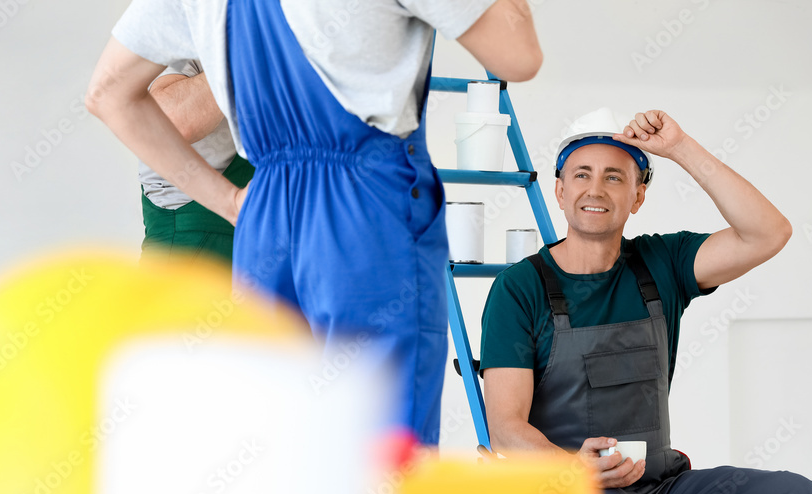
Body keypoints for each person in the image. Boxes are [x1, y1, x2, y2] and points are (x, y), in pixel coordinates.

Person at [479, 107, 812, 494]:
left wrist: (681, 148)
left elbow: (768, 233)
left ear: (638, 196)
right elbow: (506, 425)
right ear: (560, 191)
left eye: (616, 176)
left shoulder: (661, 264)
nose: (597, 188)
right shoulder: (519, 290)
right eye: (582, 174)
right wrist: (573, 469)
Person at [86, 0, 542, 445]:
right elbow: (519, 57)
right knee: (383, 444)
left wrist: (228, 201)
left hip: (267, 211)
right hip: (366, 206)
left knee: (282, 442)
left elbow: (108, 93)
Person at [140, 60, 253, 265]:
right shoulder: (182, 44)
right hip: (190, 246)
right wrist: (242, 55)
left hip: (255, 244)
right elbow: (170, 120)